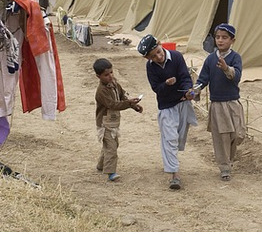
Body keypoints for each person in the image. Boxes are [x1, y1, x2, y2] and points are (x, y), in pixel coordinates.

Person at [137, 34, 197, 190]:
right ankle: (174, 175)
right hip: (166, 106)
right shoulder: (151, 67)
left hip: (182, 102)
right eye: (153, 56)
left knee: (179, 137)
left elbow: (185, 77)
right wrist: (166, 84)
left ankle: (171, 161)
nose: (158, 56)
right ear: (147, 58)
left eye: (158, 51)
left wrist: (188, 90)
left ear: (160, 44)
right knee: (169, 138)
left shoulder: (176, 57)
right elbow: (157, 89)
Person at [189, 23, 246, 181]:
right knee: (222, 137)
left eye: (224, 38)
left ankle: (229, 160)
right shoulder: (210, 59)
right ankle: (224, 167)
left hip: (233, 102)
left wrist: (227, 68)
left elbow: (237, 76)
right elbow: (203, 80)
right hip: (218, 104)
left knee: (238, 134)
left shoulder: (235, 58)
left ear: (232, 40)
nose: (220, 40)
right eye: (218, 37)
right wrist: (195, 91)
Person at [93, 58, 143, 182]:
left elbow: (122, 95)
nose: (110, 76)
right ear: (98, 76)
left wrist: (134, 105)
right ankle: (111, 172)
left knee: (113, 144)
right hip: (105, 123)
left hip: (114, 121)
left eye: (111, 72)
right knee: (111, 147)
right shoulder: (101, 91)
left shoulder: (114, 84)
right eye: (106, 75)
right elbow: (113, 105)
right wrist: (128, 103)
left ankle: (101, 165)